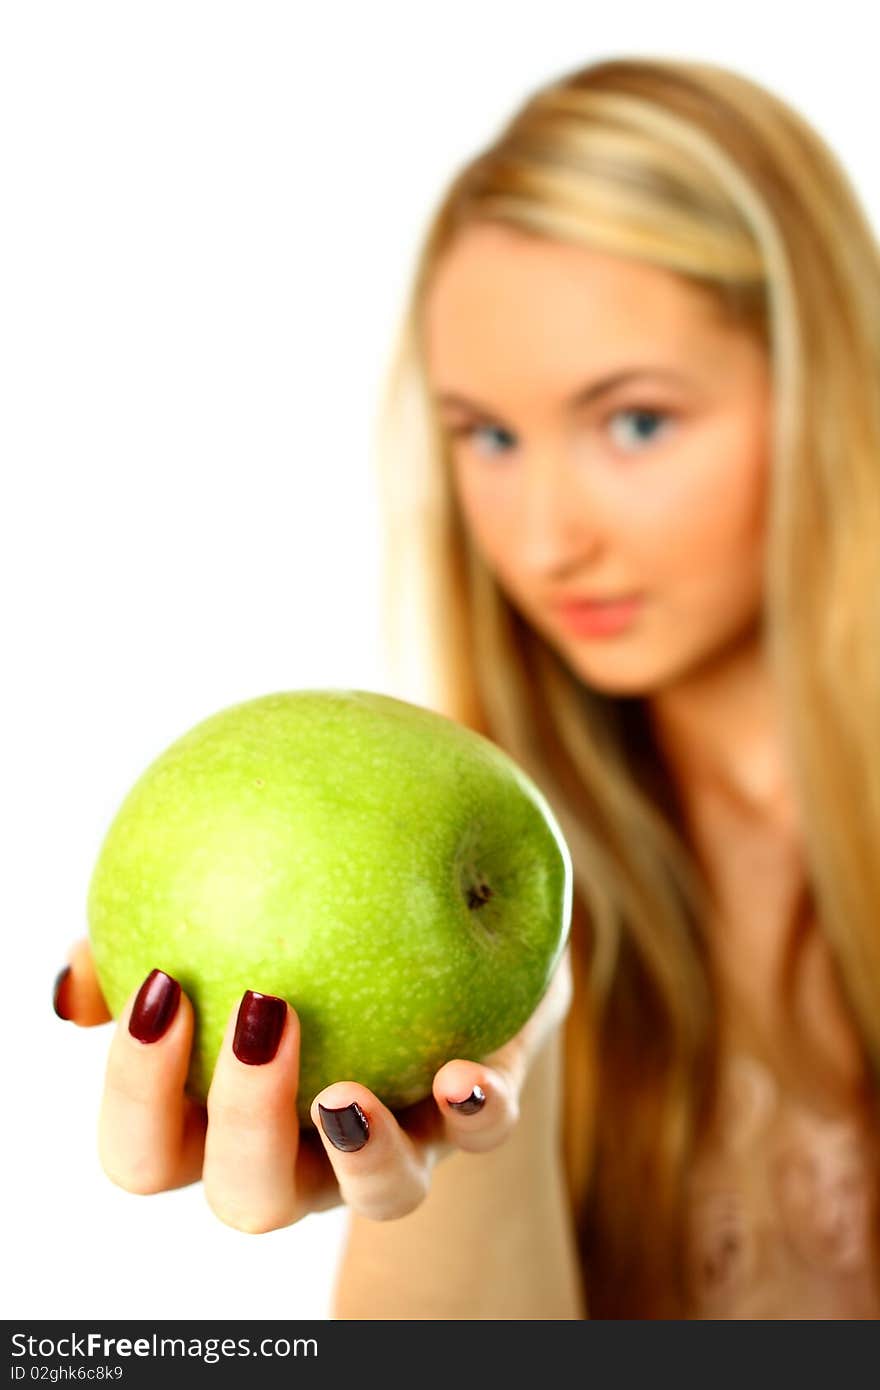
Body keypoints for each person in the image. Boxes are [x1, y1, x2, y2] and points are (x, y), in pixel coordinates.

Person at [52, 55, 880, 1319]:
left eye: (635, 421)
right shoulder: (502, 911)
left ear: (823, 387)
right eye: (487, 434)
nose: (545, 536)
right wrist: (472, 1115)